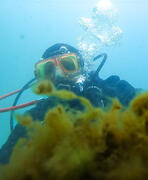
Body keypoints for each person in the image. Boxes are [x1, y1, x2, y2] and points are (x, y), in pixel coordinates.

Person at [0, 43, 137, 164]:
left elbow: (146, 108)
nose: (59, 74)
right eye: (49, 71)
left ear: (81, 67)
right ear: (41, 79)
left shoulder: (109, 89)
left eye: (68, 65)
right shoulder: (34, 117)